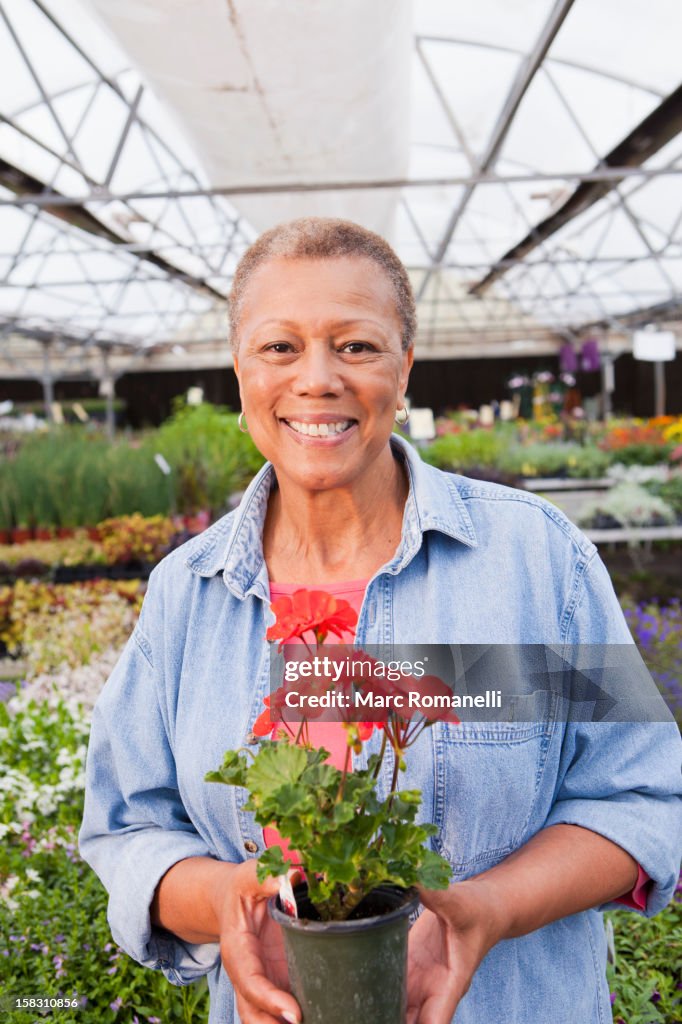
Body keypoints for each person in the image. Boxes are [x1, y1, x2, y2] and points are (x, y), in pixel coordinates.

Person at [79, 217, 682, 1024]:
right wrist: (227, 900)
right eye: (280, 347)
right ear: (239, 369)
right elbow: (128, 828)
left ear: (405, 369)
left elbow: (640, 796)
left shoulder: (532, 562)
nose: (318, 378)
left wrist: (491, 908)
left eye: (356, 346)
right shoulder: (188, 594)